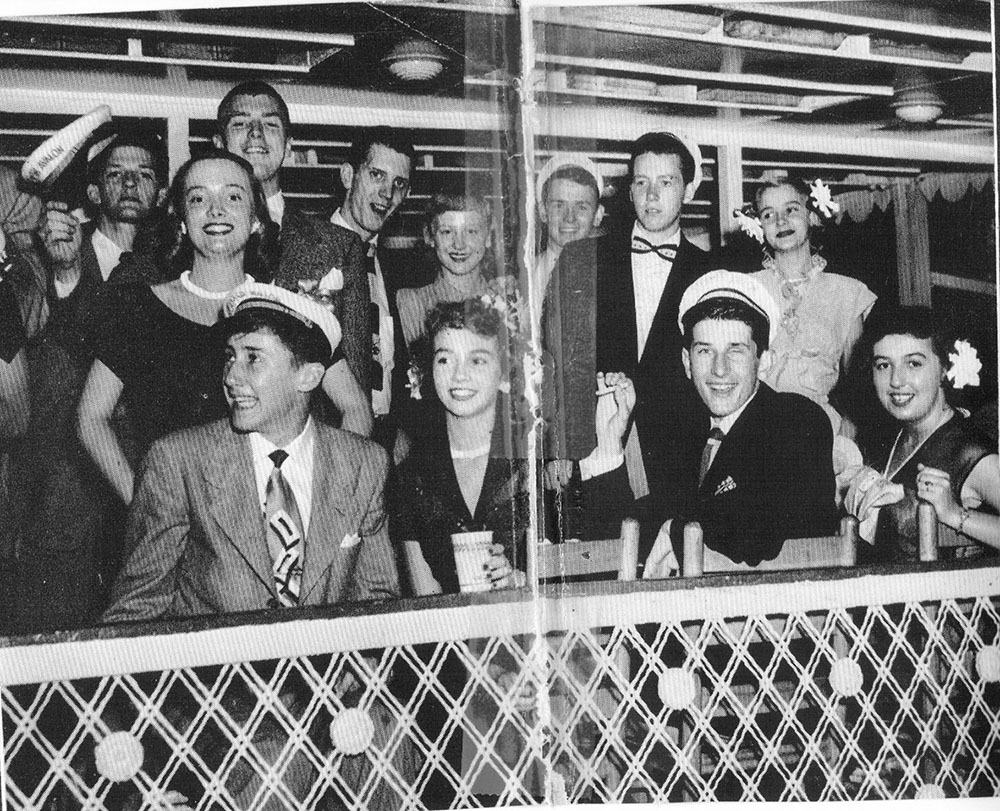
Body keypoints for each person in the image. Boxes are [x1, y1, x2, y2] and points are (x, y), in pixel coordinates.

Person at [102, 283, 400, 810]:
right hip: (212, 715)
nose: (231, 376)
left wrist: (360, 676)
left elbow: (377, 601)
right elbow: (133, 615)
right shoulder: (179, 461)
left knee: (390, 747)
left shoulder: (363, 465)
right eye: (230, 357)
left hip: (330, 703)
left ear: (307, 375)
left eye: (253, 359)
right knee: (277, 763)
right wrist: (153, 746)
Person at [393, 296, 633, 802]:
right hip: (453, 675)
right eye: (444, 358)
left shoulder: (538, 455)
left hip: (548, 661)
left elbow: (583, 576)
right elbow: (426, 602)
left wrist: (524, 580)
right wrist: (486, 676)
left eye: (477, 359)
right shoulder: (411, 476)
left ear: (504, 372)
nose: (458, 375)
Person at [10, 129, 169, 630]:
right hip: (66, 495)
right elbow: (40, 367)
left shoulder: (171, 272)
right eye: (116, 174)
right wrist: (65, 275)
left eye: (144, 174)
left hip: (141, 483)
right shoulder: (43, 261)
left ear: (161, 195)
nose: (130, 183)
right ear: (94, 193)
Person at [545, 131, 712, 495]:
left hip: (678, 461)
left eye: (666, 182)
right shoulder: (579, 260)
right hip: (591, 457)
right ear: (630, 190)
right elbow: (553, 361)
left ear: (688, 190)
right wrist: (557, 446)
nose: (652, 195)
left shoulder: (711, 275)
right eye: (642, 182)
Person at [643, 270, 838, 573]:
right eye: (705, 351)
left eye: (736, 350)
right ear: (686, 363)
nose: (719, 370)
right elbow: (646, 518)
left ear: (765, 362)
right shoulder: (687, 433)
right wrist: (609, 451)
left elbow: (762, 536)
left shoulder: (796, 420)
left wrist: (677, 532)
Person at [214, 80, 373, 436]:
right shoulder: (194, 238)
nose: (256, 134)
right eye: (240, 123)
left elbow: (356, 388)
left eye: (270, 124)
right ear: (219, 144)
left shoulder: (338, 246)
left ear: (288, 147)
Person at [845, 306, 999, 562]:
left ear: (944, 370)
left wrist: (954, 515)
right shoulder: (887, 441)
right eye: (883, 365)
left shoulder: (969, 450)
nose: (896, 380)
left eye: (913, 363)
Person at [747, 176, 876, 435]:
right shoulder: (746, 289)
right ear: (760, 226)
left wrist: (848, 436)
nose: (780, 221)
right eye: (769, 215)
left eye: (791, 210)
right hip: (758, 430)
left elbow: (857, 384)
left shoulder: (848, 293)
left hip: (823, 432)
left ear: (812, 216)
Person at [332, 127, 416, 451]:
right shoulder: (310, 253)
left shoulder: (396, 267)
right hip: (332, 442)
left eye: (399, 183)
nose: (387, 193)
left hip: (383, 445)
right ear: (348, 176)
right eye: (377, 175)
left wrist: (396, 431)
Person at [397, 192, 513, 350]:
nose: (459, 245)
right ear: (430, 237)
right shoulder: (413, 302)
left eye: (471, 231)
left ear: (487, 237)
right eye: (447, 231)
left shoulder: (506, 298)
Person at [532, 154, 603, 326]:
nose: (569, 218)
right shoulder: (521, 277)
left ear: (598, 215)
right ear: (543, 211)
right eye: (559, 205)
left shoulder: (612, 279)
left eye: (581, 207)